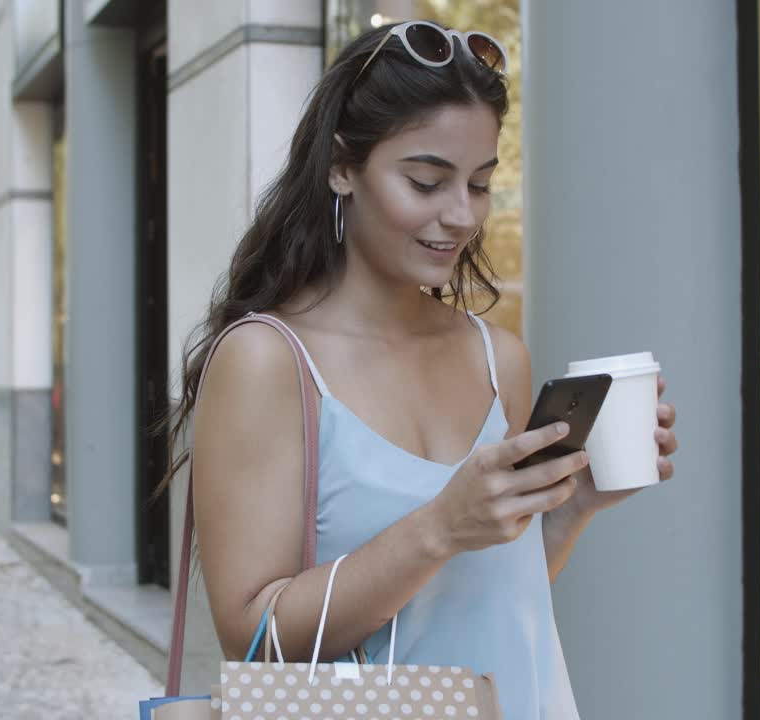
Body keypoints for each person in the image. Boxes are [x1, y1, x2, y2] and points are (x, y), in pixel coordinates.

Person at [160, 22, 680, 719]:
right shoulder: (268, 360)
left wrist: (577, 503)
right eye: (427, 181)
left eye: (480, 183)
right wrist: (439, 525)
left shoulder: (499, 357)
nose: (461, 216)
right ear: (341, 166)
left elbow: (490, 591)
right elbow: (253, 640)